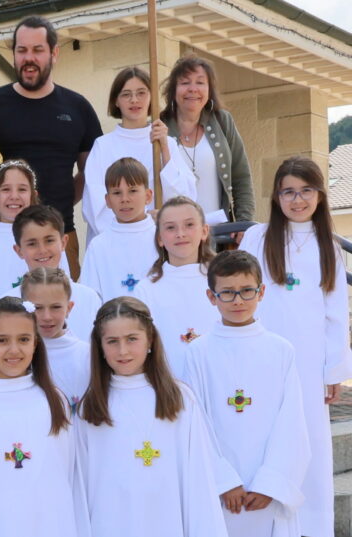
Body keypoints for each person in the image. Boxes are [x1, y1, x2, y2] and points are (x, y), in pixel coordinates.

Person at [238, 156, 352, 536]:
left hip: (308, 360)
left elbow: (335, 313)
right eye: (288, 191)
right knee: (264, 431)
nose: (297, 199)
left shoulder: (328, 247)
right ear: (276, 196)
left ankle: (310, 524)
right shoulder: (258, 236)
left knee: (309, 441)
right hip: (262, 355)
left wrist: (333, 370)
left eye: (306, 191)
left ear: (319, 195)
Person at [183, 250, 310, 537]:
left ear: (261, 291)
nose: (237, 300)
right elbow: (195, 423)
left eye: (246, 291)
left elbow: (292, 423)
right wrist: (223, 480)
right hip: (220, 491)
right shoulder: (198, 353)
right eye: (226, 292)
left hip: (266, 490)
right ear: (211, 296)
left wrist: (271, 484)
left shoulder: (280, 350)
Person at [77, 297, 228, 537]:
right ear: (100, 347)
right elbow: (82, 488)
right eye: (112, 342)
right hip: (109, 523)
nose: (123, 350)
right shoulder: (91, 407)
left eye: (132, 339)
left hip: (168, 522)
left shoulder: (180, 398)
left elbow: (199, 480)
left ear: (150, 340)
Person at [0, 16, 102, 278]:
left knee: (64, 314)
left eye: (38, 50)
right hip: (2, 239)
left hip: (60, 236)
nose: (29, 58)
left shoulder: (78, 108)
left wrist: (57, 201)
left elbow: (92, 173)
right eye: (22, 50)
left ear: (54, 53)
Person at [0, 297, 89, 536]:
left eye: (23, 339)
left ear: (35, 344)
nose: (14, 350)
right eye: (2, 341)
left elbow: (69, 478)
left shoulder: (54, 402)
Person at [82, 68, 195, 241]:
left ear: (151, 98)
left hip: (157, 240)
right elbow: (95, 203)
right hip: (114, 241)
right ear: (116, 101)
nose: (134, 100)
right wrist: (132, 228)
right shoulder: (103, 146)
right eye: (126, 94)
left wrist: (164, 148)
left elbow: (184, 197)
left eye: (141, 93)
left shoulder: (165, 143)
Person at [161, 55, 254, 229]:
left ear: (209, 89)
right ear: (173, 90)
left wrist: (243, 224)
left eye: (200, 82)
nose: (193, 89)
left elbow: (242, 177)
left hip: (219, 235)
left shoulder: (222, 121)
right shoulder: (159, 127)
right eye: (185, 82)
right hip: (176, 236)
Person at [133, 196, 219, 379]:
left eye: (189, 225)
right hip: (168, 385)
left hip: (216, 378)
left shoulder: (222, 281)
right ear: (160, 238)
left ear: (204, 231)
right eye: (171, 227)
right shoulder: (147, 289)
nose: (181, 233)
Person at [0, 160, 69, 302]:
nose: (14, 196)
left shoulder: (50, 239)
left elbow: (65, 286)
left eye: (22, 189)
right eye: (6, 189)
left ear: (33, 195)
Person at [0, 205, 101, 342]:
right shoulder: (6, 303)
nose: (42, 250)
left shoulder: (89, 298)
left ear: (64, 242)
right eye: (32, 243)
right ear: (19, 250)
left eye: (49, 240)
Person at [80, 158, 159, 301]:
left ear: (148, 196)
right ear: (108, 200)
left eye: (133, 191)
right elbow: (90, 298)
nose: (125, 199)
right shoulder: (98, 246)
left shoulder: (161, 239)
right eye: (117, 193)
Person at [20, 268, 91, 408]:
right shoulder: (16, 355)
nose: (47, 317)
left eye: (56, 307)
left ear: (69, 308)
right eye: (38, 308)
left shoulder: (87, 355)